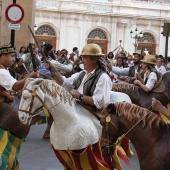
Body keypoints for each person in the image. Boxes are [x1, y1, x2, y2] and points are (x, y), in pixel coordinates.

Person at [45, 43, 112, 111]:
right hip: (78, 110)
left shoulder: (103, 77)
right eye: (82, 57)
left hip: (92, 115)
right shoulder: (82, 73)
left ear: (94, 60)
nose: (82, 60)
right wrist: (53, 69)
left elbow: (100, 102)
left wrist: (80, 96)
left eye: (85, 58)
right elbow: (65, 83)